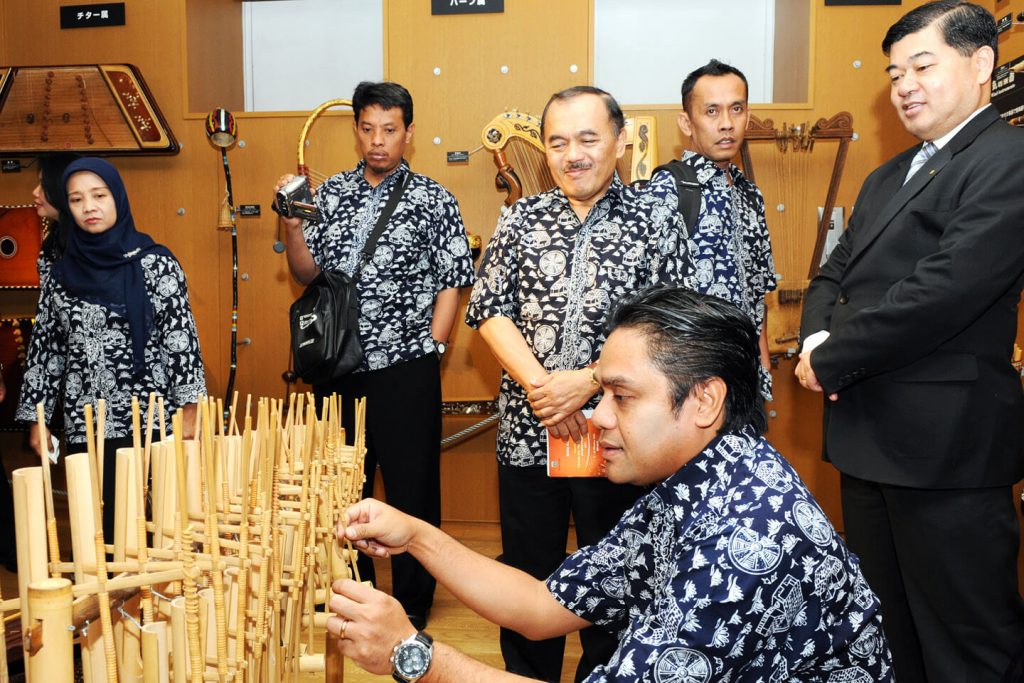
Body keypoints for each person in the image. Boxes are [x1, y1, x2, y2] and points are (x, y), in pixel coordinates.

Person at [329, 286, 894, 682]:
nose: (598, 417)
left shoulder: (747, 538)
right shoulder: (701, 477)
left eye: (621, 397)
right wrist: (418, 536)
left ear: (704, 401)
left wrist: (412, 654)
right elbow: (544, 605)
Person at [796, 3, 1024, 681]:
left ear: (981, 64)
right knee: (890, 630)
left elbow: (942, 291)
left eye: (922, 65)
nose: (904, 85)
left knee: (967, 640)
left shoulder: (1007, 159)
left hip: (947, 450)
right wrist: (814, 338)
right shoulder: (885, 175)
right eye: (895, 72)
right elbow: (830, 272)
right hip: (867, 437)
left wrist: (831, 356)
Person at [464, 86, 683, 682]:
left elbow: (669, 324)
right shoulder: (520, 217)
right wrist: (544, 390)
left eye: (588, 138)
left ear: (619, 140)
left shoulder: (654, 221)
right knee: (528, 572)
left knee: (614, 577)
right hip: (529, 435)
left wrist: (587, 383)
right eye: (557, 142)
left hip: (619, 439)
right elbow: (488, 310)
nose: (573, 154)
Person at [273, 81, 475, 630]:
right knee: (343, 484)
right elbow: (305, 273)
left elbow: (453, 280)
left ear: (408, 133)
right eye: (367, 129)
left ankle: (413, 602)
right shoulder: (330, 193)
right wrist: (292, 225)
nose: (378, 141)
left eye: (390, 130)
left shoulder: (434, 199)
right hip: (338, 366)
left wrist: (433, 347)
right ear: (356, 130)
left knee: (412, 487)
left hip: (408, 366)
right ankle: (354, 592)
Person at [16, 157, 206, 540]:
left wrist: (190, 411)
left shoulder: (157, 263)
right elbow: (46, 351)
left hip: (149, 422)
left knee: (155, 530)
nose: (89, 207)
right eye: (76, 199)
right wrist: (38, 417)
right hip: (86, 425)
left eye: (99, 195)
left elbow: (181, 342)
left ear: (117, 197)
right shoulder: (60, 274)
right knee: (98, 534)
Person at [666, 60, 777, 399]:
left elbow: (759, 291)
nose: (726, 124)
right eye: (711, 111)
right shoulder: (669, 188)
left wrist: (764, 366)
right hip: (695, 382)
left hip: (747, 378)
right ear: (687, 122)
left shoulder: (749, 192)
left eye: (736, 109)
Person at [0, 153, 80, 572]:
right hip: (70, 391)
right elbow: (48, 337)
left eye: (42, 184)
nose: (33, 193)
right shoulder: (51, 251)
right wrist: (39, 414)